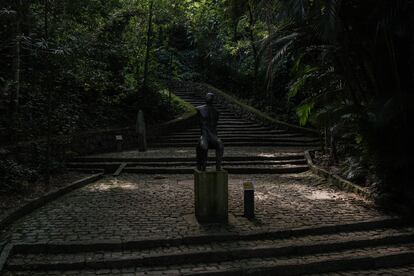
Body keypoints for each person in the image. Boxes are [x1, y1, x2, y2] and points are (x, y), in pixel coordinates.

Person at [196, 93, 224, 171]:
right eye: (207, 96)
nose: (208, 98)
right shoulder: (199, 109)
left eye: (210, 97)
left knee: (220, 145)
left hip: (213, 135)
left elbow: (214, 126)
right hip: (204, 135)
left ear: (213, 99)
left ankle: (218, 167)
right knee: (204, 147)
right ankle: (203, 166)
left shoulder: (216, 112)